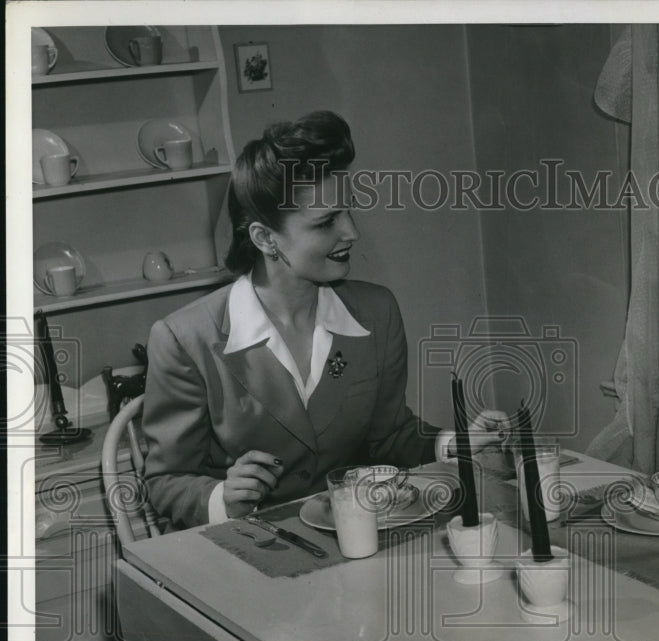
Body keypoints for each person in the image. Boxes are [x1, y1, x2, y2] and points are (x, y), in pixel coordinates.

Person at [143, 110, 502, 529]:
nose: (351, 232)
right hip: (248, 545)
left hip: (356, 536)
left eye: (347, 212)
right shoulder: (183, 338)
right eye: (327, 221)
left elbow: (388, 437)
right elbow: (166, 481)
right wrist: (224, 497)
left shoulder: (377, 312)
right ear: (264, 238)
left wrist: (453, 442)